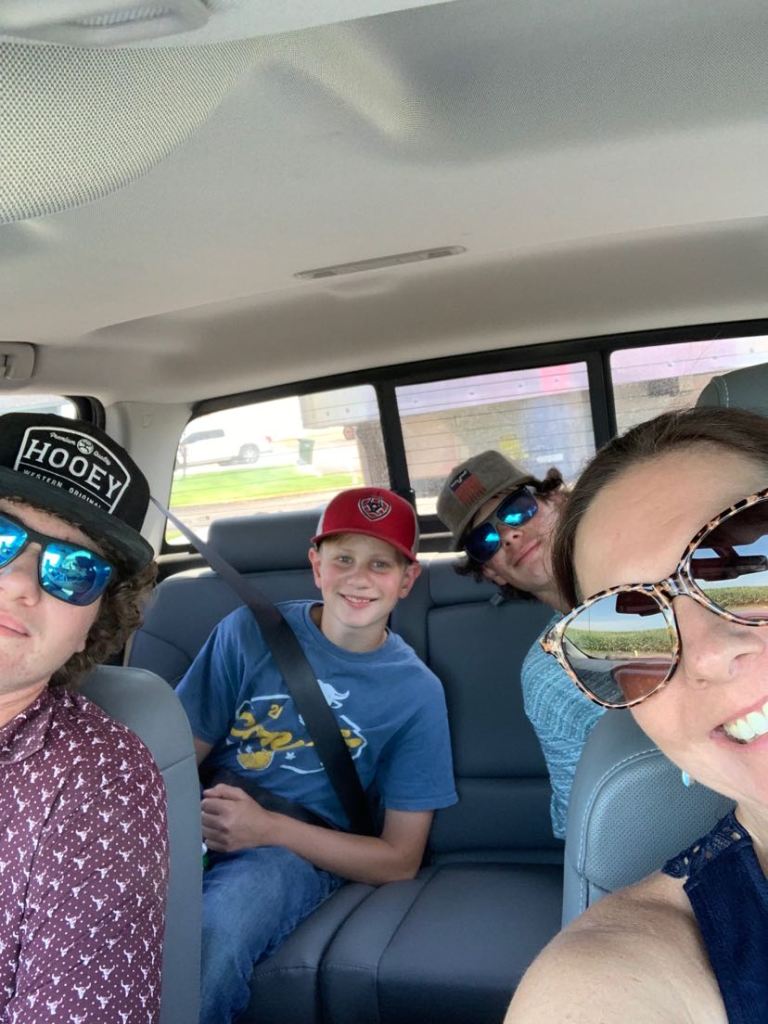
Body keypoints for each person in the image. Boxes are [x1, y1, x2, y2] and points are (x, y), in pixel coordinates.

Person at [506, 405, 768, 1023]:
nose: (706, 656)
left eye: (750, 562)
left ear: (551, 497)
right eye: (624, 634)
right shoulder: (612, 978)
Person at [176, 486, 457, 1024]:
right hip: (199, 822)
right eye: (343, 559)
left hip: (293, 851)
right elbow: (178, 757)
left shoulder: (415, 693)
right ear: (316, 565)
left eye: (380, 564)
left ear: (407, 580)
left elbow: (399, 859)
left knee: (213, 933)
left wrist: (267, 830)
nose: (359, 578)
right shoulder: (248, 633)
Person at [0, 412, 167, 1023]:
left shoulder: (99, 776)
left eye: (74, 570)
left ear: (93, 626)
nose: (19, 583)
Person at [437, 450, 603, 839]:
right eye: (485, 540)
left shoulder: (666, 571)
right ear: (492, 572)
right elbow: (580, 822)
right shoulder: (548, 675)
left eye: (518, 509)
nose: (509, 535)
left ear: (558, 500)